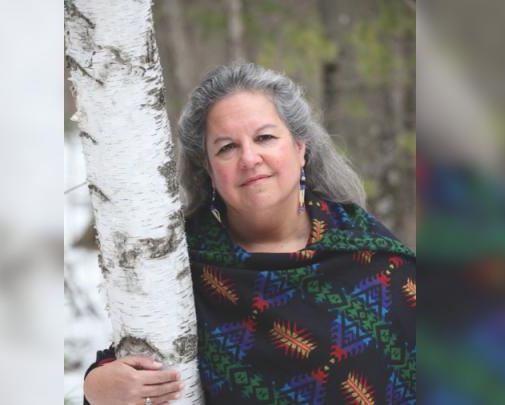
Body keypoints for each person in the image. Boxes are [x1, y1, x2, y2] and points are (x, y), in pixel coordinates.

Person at [83, 63, 416, 405]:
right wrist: (95, 386)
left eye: (265, 138)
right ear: (208, 170)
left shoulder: (370, 256)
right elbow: (135, 361)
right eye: (227, 147)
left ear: (300, 148)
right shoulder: (180, 264)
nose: (249, 158)